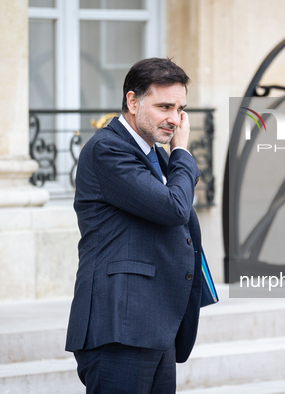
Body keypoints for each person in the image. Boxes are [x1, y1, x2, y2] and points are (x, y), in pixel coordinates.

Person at [65, 57, 204, 393]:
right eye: (164, 106)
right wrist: (182, 153)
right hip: (121, 324)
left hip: (155, 321)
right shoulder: (107, 149)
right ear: (132, 101)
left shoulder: (152, 152)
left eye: (180, 108)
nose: (174, 119)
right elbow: (174, 208)